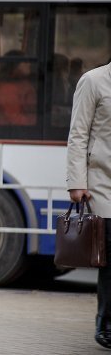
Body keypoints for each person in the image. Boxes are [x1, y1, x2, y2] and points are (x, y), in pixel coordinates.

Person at [66, 61, 111, 349]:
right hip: (103, 183)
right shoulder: (93, 81)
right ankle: (106, 323)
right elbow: (78, 134)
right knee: (109, 259)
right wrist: (76, 183)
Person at [0, 50, 37, 125]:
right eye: (25, 62)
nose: (29, 64)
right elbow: (15, 118)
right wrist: (37, 123)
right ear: (15, 65)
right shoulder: (7, 89)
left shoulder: (22, 83)